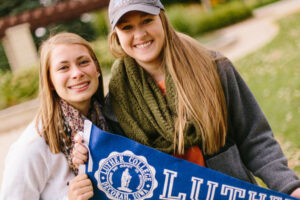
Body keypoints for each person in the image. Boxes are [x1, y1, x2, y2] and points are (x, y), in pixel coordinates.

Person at [72, 0, 300, 198]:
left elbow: (255, 139)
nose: (139, 34)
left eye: (147, 20)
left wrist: (289, 186)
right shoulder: (118, 102)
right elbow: (119, 171)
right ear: (117, 37)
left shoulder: (214, 68)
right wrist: (85, 154)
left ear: (162, 19)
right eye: (127, 27)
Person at [0, 32, 110, 199]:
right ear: (50, 81)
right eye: (63, 67)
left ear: (97, 69)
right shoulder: (31, 148)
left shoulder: (113, 122)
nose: (77, 73)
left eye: (83, 62)